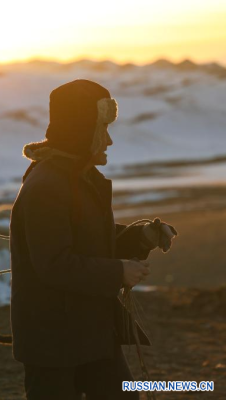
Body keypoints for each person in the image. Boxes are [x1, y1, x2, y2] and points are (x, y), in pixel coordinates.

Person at [10, 79, 177, 399]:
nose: (110, 141)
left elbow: (92, 241)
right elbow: (55, 264)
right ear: (80, 129)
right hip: (53, 342)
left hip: (89, 331)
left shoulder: (77, 177)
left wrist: (141, 237)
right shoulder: (47, 186)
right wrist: (118, 272)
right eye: (103, 129)